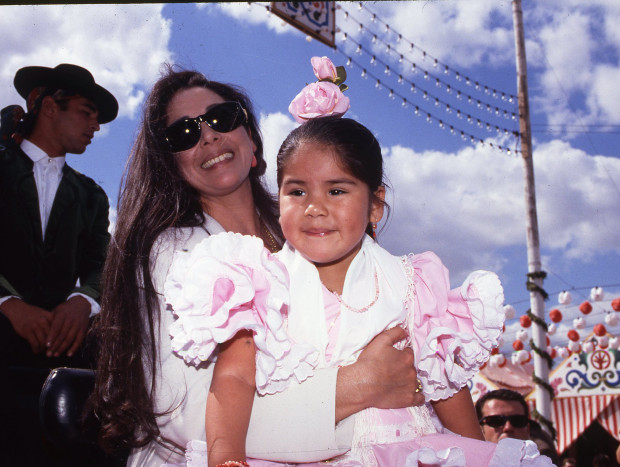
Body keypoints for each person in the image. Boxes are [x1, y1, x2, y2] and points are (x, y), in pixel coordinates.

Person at [163, 58, 553, 465]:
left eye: (337, 191)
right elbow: (234, 377)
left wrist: (479, 454)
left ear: (375, 206)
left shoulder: (411, 282)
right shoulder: (258, 281)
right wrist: (226, 456)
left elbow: (445, 388)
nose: (315, 207)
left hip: (411, 450)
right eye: (297, 192)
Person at [91, 65, 423, 466]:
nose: (208, 135)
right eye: (184, 133)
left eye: (221, 118)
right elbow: (187, 416)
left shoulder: (305, 237)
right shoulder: (172, 253)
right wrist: (356, 388)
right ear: (170, 163)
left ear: (250, 137)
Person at [0, 63, 117, 464]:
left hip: (57, 364)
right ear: (50, 107)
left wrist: (83, 300)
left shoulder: (91, 196)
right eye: (86, 112)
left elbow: (103, 261)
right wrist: (8, 304)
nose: (95, 126)